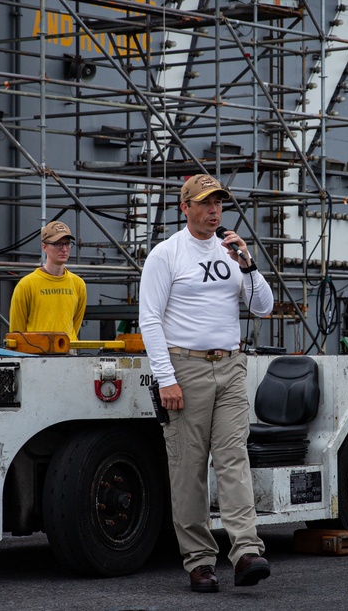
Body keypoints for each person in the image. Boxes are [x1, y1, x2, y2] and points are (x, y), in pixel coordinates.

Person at [138, 174, 274, 593]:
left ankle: (246, 551)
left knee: (234, 458)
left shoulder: (231, 252)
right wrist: (166, 379)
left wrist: (247, 264)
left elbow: (263, 306)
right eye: (205, 203)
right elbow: (149, 320)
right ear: (186, 208)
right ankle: (199, 561)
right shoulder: (167, 255)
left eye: (219, 202)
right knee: (188, 469)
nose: (214, 210)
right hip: (186, 368)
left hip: (231, 366)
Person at [8, 220, 87, 340]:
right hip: (37, 354)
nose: (64, 249)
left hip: (67, 352)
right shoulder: (27, 284)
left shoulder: (78, 284)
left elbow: (75, 324)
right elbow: (16, 332)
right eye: (57, 244)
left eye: (67, 243)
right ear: (44, 247)